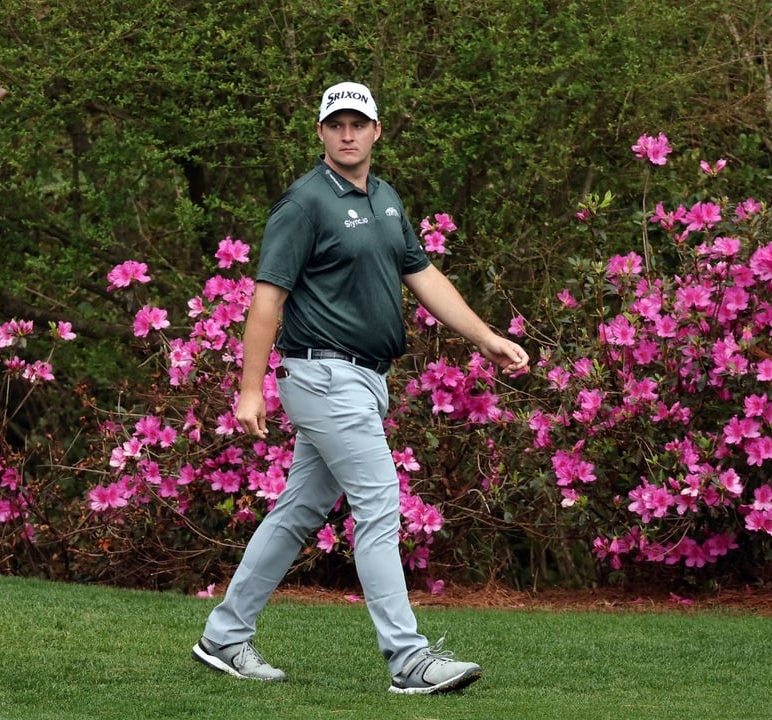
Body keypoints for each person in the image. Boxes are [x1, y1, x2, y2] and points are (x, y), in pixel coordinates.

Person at [191, 81, 529, 695]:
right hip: (323, 374)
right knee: (379, 506)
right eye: (336, 123)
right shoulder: (305, 203)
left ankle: (222, 636)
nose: (347, 133)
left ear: (377, 130)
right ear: (320, 133)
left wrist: (485, 337)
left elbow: (423, 275)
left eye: (358, 123)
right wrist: (249, 389)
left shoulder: (386, 199)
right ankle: (409, 660)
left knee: (298, 512)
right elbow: (267, 300)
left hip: (362, 379)